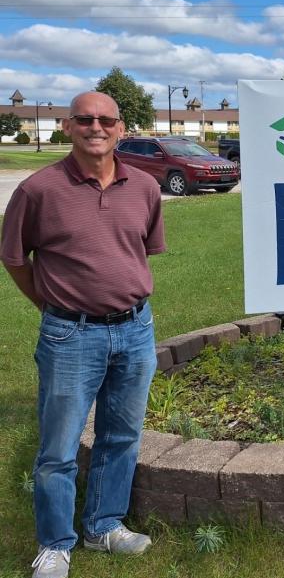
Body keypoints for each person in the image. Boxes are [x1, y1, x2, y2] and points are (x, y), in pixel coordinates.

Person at [1, 92, 165, 578]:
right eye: (85, 119)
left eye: (106, 120)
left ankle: (103, 526)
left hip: (136, 330)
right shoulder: (38, 190)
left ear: (121, 129)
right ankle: (55, 544)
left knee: (121, 435)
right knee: (59, 447)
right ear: (68, 126)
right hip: (71, 336)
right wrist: (51, 307)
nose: (96, 127)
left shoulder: (145, 188)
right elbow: (14, 259)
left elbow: (141, 250)